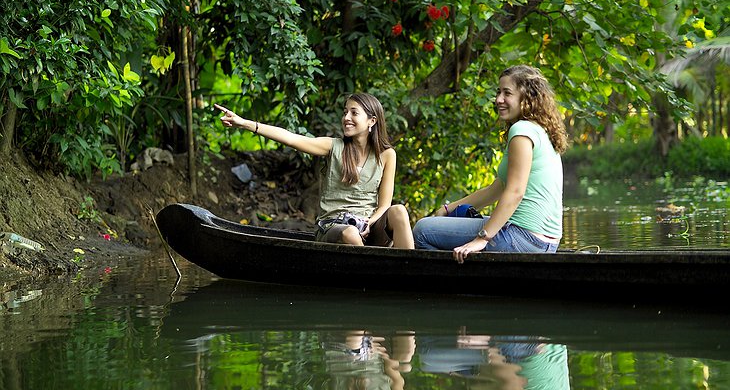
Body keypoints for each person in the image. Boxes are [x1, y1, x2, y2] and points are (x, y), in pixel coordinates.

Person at [214, 93, 414, 249]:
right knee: (350, 233)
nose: (346, 118)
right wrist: (244, 123)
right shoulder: (333, 146)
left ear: (372, 121)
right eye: (345, 112)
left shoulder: (387, 155)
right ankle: (374, 275)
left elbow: (384, 204)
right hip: (335, 227)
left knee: (399, 211)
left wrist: (368, 223)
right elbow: (291, 138)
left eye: (354, 113)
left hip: (368, 226)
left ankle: (412, 269)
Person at [413, 64, 568, 260]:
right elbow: (496, 189)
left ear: (528, 97)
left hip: (521, 237)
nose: (498, 100)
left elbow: (515, 192)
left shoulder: (522, 131)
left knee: (423, 230)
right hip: (546, 243)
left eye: (507, 93)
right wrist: (448, 209)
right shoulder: (540, 130)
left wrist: (483, 238)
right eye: (498, 92)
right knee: (437, 224)